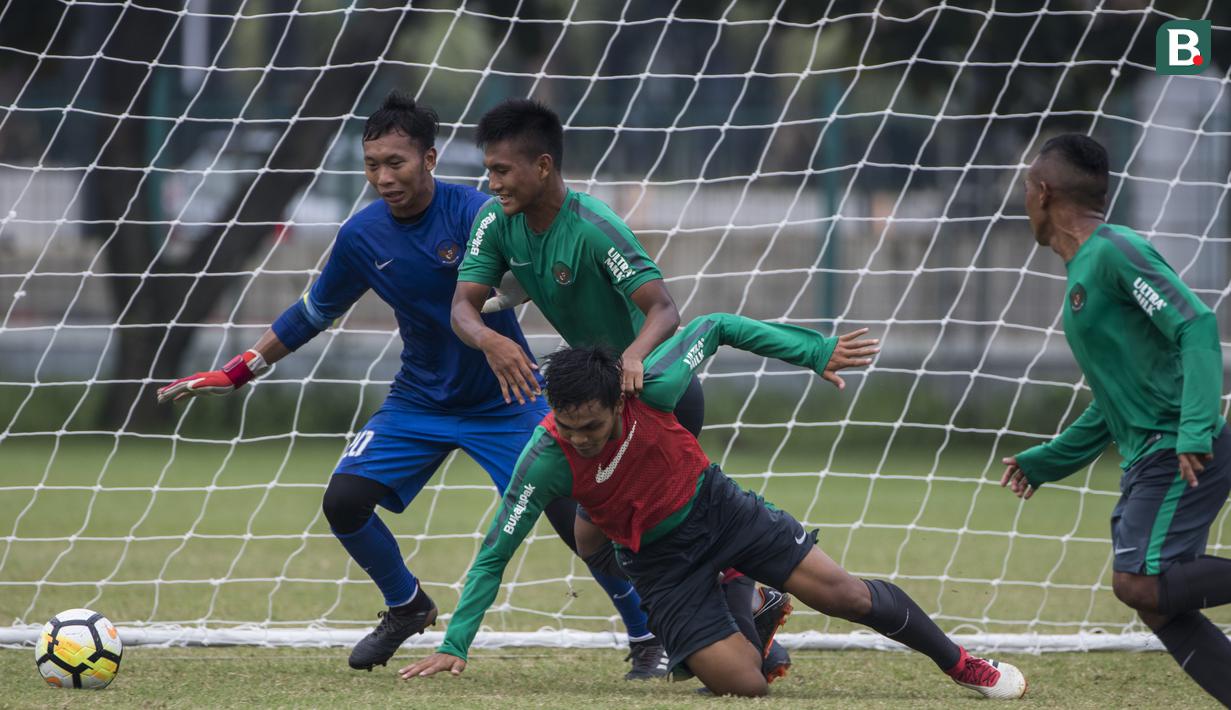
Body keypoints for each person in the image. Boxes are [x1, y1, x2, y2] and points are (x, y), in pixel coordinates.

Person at [155, 91, 665, 679]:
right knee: (343, 502)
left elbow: (542, 268)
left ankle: (647, 633)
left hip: (509, 399)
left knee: (577, 518)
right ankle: (407, 605)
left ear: (429, 157)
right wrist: (239, 370)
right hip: (419, 398)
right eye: (372, 165)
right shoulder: (362, 236)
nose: (383, 177)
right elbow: (314, 311)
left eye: (396, 162)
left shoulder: (483, 213)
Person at [400, 313, 1028, 699]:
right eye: (568, 427)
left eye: (591, 426)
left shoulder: (653, 386)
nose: (580, 437)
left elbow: (718, 324)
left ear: (618, 400)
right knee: (746, 685)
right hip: (658, 562)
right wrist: (457, 642)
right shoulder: (545, 459)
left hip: (718, 509)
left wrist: (812, 352)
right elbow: (495, 552)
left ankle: (964, 665)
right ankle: (749, 597)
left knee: (846, 596)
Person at [451, 97, 792, 679]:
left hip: (655, 394)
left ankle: (705, 622)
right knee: (598, 533)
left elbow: (664, 309)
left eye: (502, 170)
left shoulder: (593, 227)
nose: (492, 182)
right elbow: (462, 305)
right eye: (488, 170)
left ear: (542, 167)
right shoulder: (495, 221)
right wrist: (489, 339)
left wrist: (632, 359)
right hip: (597, 406)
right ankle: (735, 613)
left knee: (634, 530)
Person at [1000, 134, 1231, 704]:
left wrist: (1196, 428)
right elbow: (1113, 401)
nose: (1023, 199)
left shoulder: (1114, 252)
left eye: (1026, 187)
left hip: (1176, 447)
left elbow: (1196, 326)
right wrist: (1047, 461)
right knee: (1156, 602)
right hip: (1152, 450)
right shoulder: (1083, 274)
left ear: (1044, 192)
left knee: (1139, 584)